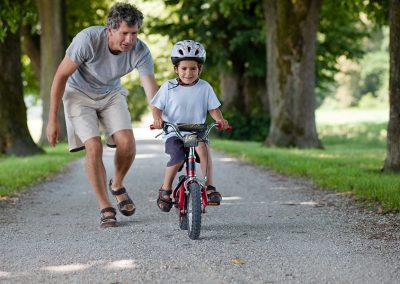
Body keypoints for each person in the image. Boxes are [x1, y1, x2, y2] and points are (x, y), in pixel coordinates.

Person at [46, 3, 158, 228]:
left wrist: (158, 115)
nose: (129, 39)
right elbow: (60, 76)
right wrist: (52, 119)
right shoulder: (87, 40)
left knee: (127, 143)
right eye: (124, 33)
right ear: (110, 30)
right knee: (94, 147)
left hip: (110, 94)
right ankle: (105, 206)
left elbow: (150, 87)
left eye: (134, 33)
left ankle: (116, 184)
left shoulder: (140, 50)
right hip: (78, 94)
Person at [151, 40, 229, 212]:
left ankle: (209, 187)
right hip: (174, 131)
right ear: (176, 69)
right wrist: (158, 119)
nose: (188, 72)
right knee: (177, 157)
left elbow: (213, 109)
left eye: (193, 68)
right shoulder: (168, 87)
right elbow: (156, 107)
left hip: (196, 131)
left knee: (203, 149)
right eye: (184, 68)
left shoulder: (204, 87)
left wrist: (220, 120)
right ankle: (165, 189)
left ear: (199, 69)